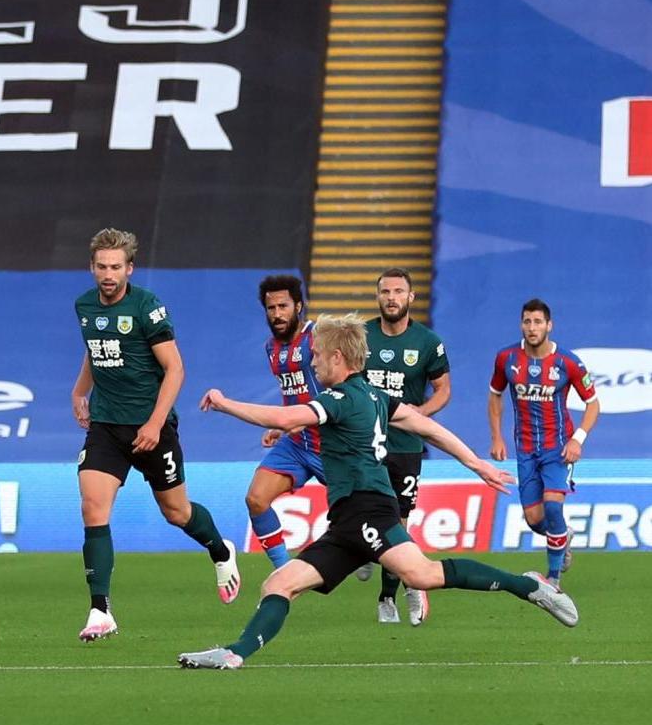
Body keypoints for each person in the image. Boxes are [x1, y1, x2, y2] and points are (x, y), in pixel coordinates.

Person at [178, 313, 577, 671]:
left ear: (337, 358)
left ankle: (530, 586)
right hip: (347, 522)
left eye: (316, 355)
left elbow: (286, 415)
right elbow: (426, 426)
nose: (312, 362)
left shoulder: (340, 397)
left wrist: (224, 402)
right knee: (279, 584)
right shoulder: (374, 396)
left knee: (422, 573)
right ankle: (234, 654)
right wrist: (476, 464)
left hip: (369, 509)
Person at [71, 227, 239, 643]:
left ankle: (221, 550)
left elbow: (176, 369)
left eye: (116, 267)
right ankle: (100, 609)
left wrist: (154, 423)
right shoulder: (85, 305)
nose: (108, 274)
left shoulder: (148, 308)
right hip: (107, 425)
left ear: (130, 268)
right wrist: (80, 391)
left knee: (176, 512)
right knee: (93, 506)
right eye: (101, 266)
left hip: (152, 427)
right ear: (92, 267)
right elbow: (97, 349)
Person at [489, 298, 600, 589]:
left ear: (549, 325)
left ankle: (553, 579)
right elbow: (494, 395)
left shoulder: (568, 362)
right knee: (534, 519)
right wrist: (497, 437)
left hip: (558, 449)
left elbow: (593, 404)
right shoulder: (506, 359)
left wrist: (578, 439)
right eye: (527, 321)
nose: (532, 327)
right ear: (521, 324)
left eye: (538, 322)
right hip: (525, 449)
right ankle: (564, 535)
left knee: (553, 507)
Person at [363, 266, 450, 625]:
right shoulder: (362, 335)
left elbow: (444, 389)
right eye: (386, 292)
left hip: (406, 447)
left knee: (397, 523)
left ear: (411, 297)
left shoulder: (427, 342)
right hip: (367, 444)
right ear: (378, 296)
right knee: (367, 513)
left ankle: (392, 595)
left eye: (399, 292)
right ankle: (368, 555)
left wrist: (422, 413)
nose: (392, 298)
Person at [245, 275, 325, 570]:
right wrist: (282, 424)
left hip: (334, 445)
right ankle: (284, 572)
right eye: (271, 308)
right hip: (297, 443)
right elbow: (295, 392)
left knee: (366, 516)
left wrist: (308, 417)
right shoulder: (271, 348)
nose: (277, 314)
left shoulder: (319, 337)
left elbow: (341, 385)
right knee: (256, 499)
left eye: (283, 306)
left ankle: (412, 578)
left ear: (299, 306)